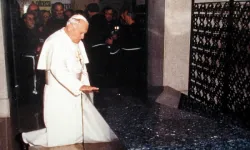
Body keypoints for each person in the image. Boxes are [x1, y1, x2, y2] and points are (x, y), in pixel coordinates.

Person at [19, 14, 118, 149]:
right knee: (59, 135)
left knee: (74, 130)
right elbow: (57, 70)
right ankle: (26, 138)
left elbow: (82, 66)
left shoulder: (77, 41)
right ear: (71, 27)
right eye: (81, 32)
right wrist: (79, 86)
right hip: (59, 90)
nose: (83, 36)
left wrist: (85, 84)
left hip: (76, 89)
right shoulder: (56, 41)